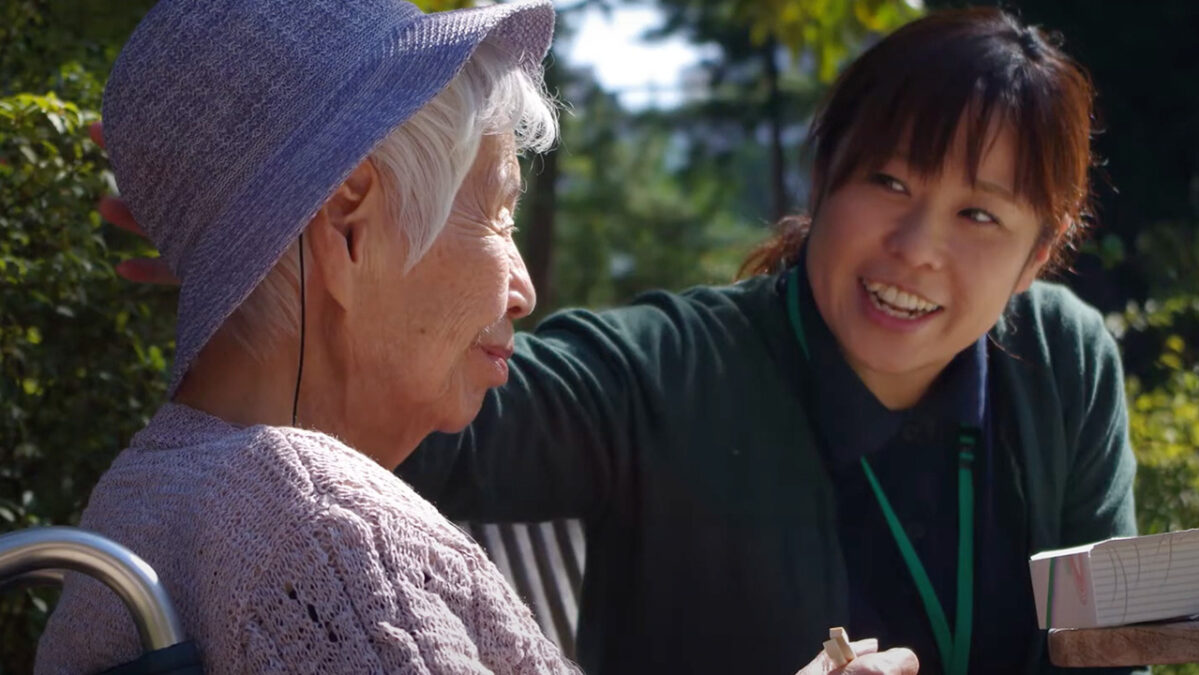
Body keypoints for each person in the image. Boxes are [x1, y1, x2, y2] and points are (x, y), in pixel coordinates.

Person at [92, 5, 1129, 675]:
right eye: (890, 183)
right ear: (823, 183)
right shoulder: (661, 373)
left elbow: (1107, 642)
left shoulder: (1067, 363)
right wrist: (272, 247)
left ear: (1042, 255)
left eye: (980, 217)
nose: (918, 251)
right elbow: (410, 386)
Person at [35, 0, 580, 671]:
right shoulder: (327, 533)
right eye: (498, 215)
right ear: (351, 227)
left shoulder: (135, 498)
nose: (524, 291)